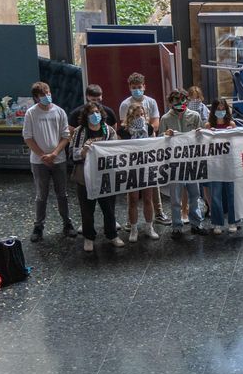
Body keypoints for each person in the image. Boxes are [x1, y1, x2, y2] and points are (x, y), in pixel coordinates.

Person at [22, 81, 73, 242]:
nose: (47, 96)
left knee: (62, 194)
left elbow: (66, 136)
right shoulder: (31, 113)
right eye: (43, 94)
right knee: (41, 195)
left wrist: (54, 154)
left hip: (59, 160)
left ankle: (67, 223)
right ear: (37, 98)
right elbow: (28, 137)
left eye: (48, 92)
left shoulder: (59, 112)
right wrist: (43, 156)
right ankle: (38, 226)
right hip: (39, 162)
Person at [69, 102, 119, 252]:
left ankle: (112, 235)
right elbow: (72, 153)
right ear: (86, 116)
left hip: (106, 177)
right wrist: (84, 151)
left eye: (97, 112)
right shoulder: (79, 132)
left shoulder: (108, 130)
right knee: (87, 210)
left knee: (109, 208)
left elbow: (117, 150)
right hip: (85, 178)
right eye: (91, 113)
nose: (95, 115)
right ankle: (89, 237)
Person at [119, 73, 162, 242]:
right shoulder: (124, 107)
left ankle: (149, 227)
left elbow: (156, 125)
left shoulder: (150, 110)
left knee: (148, 197)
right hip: (131, 164)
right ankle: (134, 228)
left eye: (139, 87)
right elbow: (120, 140)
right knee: (133, 198)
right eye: (133, 87)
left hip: (148, 161)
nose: (136, 90)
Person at [159, 89, 205, 238]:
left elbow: (203, 137)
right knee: (175, 198)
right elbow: (159, 139)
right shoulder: (165, 118)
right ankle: (177, 226)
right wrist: (165, 135)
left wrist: (200, 133)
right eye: (176, 100)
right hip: (175, 164)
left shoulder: (195, 115)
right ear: (170, 102)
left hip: (192, 162)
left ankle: (196, 224)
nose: (180, 103)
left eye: (182, 99)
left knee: (194, 195)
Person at [204, 99, 239, 233]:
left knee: (231, 193)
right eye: (218, 108)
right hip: (215, 165)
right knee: (216, 194)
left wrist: (232, 132)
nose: (220, 111)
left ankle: (233, 221)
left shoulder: (231, 124)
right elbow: (204, 145)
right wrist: (209, 134)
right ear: (214, 111)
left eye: (222, 108)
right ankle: (217, 222)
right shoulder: (208, 125)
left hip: (229, 163)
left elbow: (236, 143)